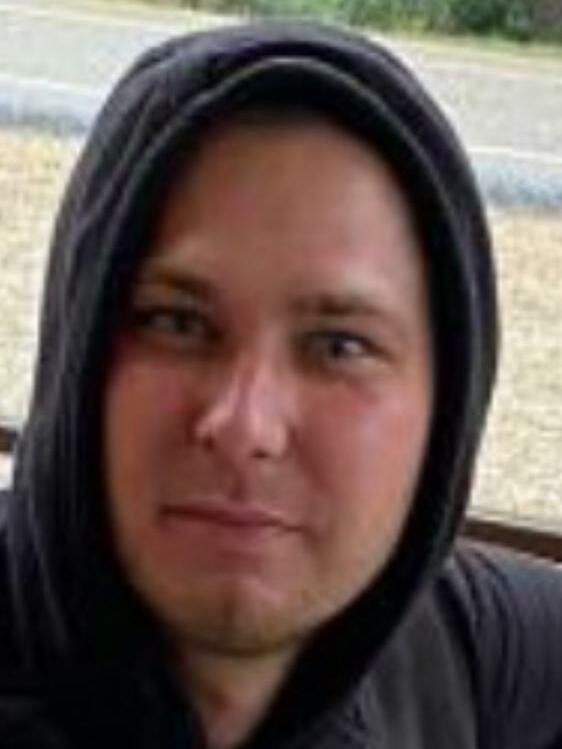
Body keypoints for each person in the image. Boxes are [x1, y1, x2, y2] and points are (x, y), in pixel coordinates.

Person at [0, 20, 561, 749]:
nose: (245, 424)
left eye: (339, 346)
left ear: (447, 411)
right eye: (176, 323)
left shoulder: (452, 653)